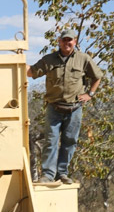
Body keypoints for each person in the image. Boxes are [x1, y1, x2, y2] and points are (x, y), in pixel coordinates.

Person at [27, 28, 102, 184]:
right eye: (64, 40)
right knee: (51, 140)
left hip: (74, 108)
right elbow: (31, 72)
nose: (67, 43)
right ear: (59, 42)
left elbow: (97, 77)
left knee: (69, 141)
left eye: (70, 40)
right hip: (54, 108)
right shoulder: (49, 59)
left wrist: (90, 94)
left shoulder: (83, 58)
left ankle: (62, 173)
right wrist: (18, 61)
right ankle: (48, 174)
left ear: (74, 42)